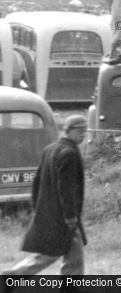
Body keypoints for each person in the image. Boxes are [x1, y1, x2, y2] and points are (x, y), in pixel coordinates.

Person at [4, 116, 88, 275]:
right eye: (79, 131)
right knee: (52, 252)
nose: (83, 135)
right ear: (68, 130)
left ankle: (70, 284)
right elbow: (66, 188)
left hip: (51, 210)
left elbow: (37, 180)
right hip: (63, 213)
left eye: (85, 131)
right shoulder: (69, 153)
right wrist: (70, 215)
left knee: (72, 249)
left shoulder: (51, 148)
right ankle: (13, 275)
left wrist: (37, 206)